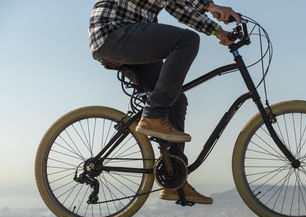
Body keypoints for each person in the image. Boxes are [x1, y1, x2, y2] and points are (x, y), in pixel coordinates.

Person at [89, 0, 241, 205]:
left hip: (130, 37)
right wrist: (210, 6)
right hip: (113, 32)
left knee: (176, 98)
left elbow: (177, 8)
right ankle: (153, 116)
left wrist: (217, 30)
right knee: (187, 41)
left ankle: (175, 182)